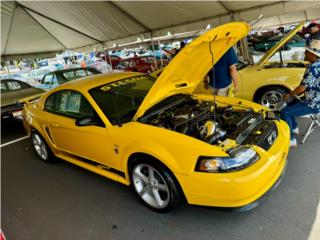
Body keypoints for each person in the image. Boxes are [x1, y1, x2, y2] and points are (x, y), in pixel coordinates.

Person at [280, 38, 320, 147]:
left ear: (313, 55)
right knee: (289, 104)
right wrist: (294, 95)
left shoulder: (313, 68)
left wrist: (289, 94)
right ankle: (294, 128)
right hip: (314, 98)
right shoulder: (317, 65)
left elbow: (302, 87)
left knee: (285, 112)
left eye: (307, 52)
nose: (305, 53)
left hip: (314, 103)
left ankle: (291, 140)